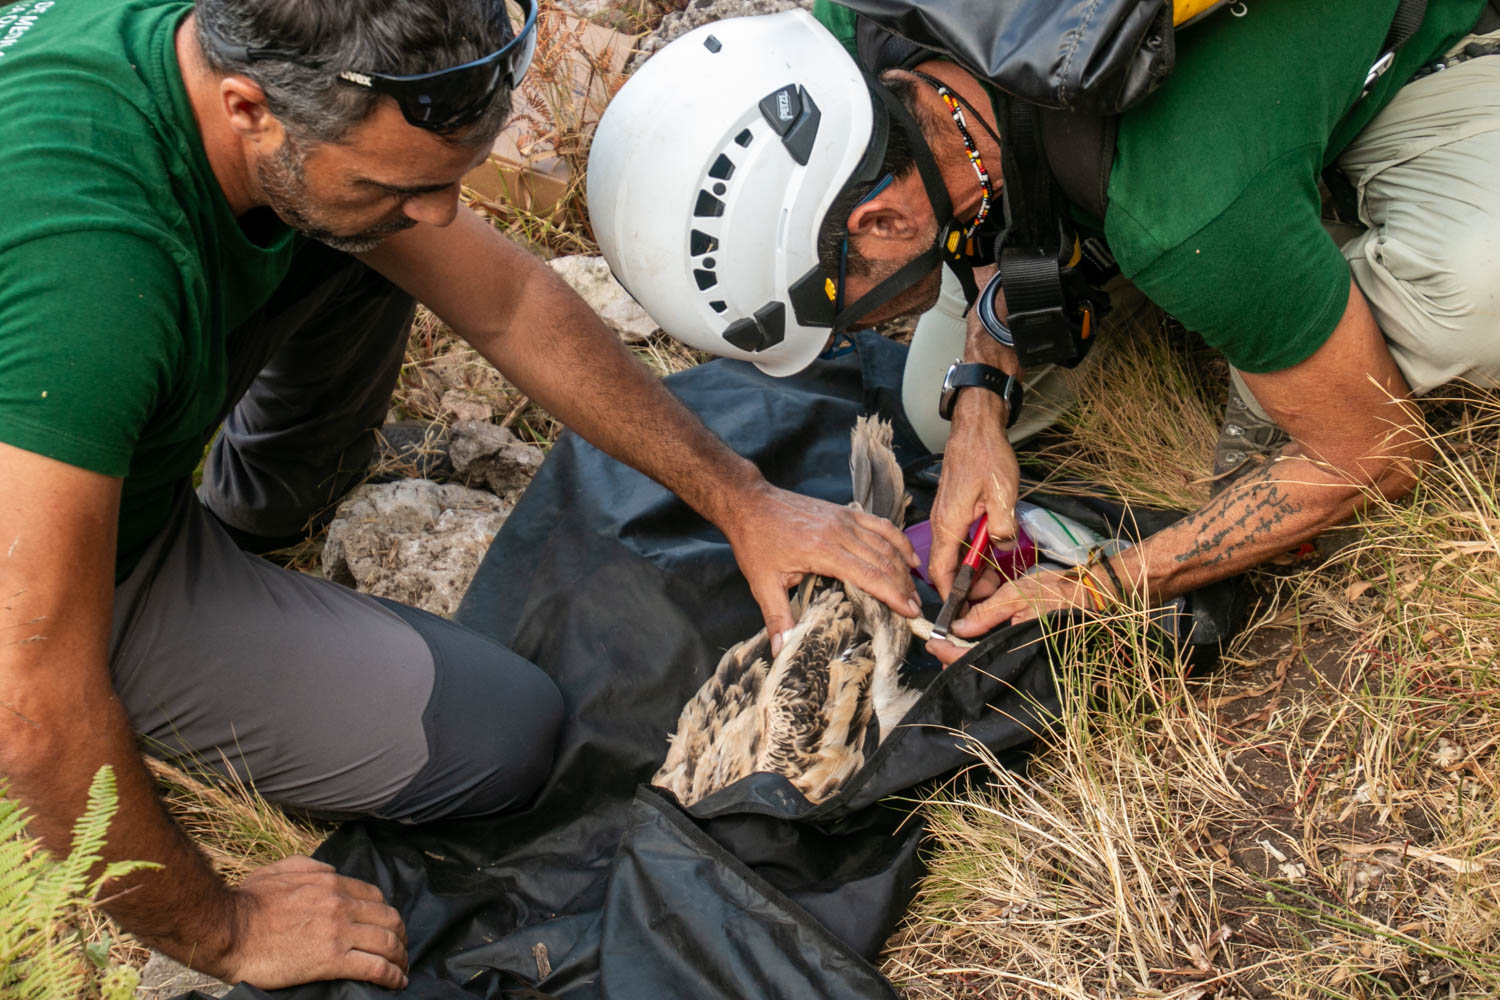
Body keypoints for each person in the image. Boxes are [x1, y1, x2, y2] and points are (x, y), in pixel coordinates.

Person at [0, 0, 923, 990]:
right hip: (54, 595)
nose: (444, 213)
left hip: (99, 460)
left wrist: (743, 498)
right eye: (403, 178)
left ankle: (257, 516)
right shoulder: (91, 265)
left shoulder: (248, 46)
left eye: (452, 178)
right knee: (495, 742)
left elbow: (511, 301)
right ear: (248, 107)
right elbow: (28, 697)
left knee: (356, 230)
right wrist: (223, 930)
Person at [587, 1, 1500, 660]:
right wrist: (982, 401)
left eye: (850, 312)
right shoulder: (847, 42)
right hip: (1128, 159)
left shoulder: (1182, 208)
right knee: (935, 407)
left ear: (876, 225)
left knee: (1472, 291)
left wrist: (1097, 586)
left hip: (1407, 53)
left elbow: (1370, 454)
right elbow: (982, 182)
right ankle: (1266, 262)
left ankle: (1306, 261)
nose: (861, 330)